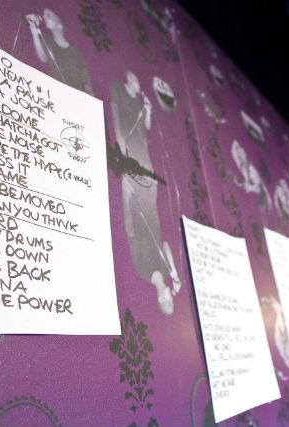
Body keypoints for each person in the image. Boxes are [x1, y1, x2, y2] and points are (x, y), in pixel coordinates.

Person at [110, 70, 181, 315]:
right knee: (148, 175)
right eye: (172, 301)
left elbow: (130, 231)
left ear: (160, 300)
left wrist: (126, 194)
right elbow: (165, 244)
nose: (171, 298)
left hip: (136, 205)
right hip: (151, 206)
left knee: (136, 173)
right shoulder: (164, 271)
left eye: (168, 302)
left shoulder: (143, 272)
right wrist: (174, 272)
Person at [26, 9, 94, 95]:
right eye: (44, 15)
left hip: (73, 96)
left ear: (60, 24)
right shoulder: (47, 40)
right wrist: (34, 29)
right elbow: (43, 58)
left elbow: (86, 84)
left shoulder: (77, 55)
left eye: (48, 15)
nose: (44, 16)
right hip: (53, 92)